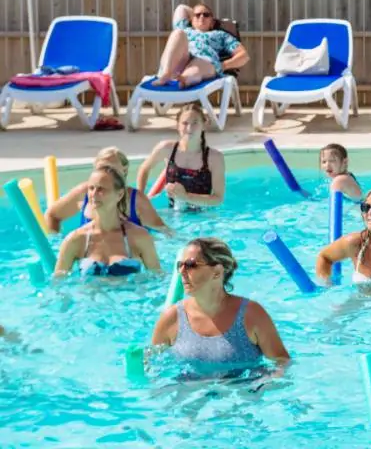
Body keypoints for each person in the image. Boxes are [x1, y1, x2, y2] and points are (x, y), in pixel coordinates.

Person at [151, 238, 289, 369]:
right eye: (179, 265)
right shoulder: (171, 318)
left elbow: (282, 362)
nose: (182, 272)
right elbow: (151, 365)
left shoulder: (251, 315)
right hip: (191, 392)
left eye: (190, 265)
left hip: (242, 391)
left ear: (217, 272)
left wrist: (265, 383)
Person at [53, 165, 161, 277]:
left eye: (101, 189)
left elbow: (158, 278)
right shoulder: (76, 239)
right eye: (91, 188)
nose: (93, 194)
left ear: (119, 194)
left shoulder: (139, 236)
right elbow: (58, 286)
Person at [43, 146, 172, 236]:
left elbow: (165, 233)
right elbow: (52, 215)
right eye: (101, 169)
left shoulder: (136, 201)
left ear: (124, 171)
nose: (105, 175)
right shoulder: (84, 193)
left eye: (111, 170)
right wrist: (55, 244)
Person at [136, 105, 226, 209]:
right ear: (177, 126)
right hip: (172, 214)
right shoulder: (167, 149)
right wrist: (140, 197)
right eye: (185, 123)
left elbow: (218, 199)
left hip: (202, 218)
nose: (189, 128)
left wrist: (186, 197)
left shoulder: (214, 158)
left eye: (195, 123)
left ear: (204, 125)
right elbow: (144, 168)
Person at [153, 3, 249, 88]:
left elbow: (244, 56)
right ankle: (166, 74)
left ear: (212, 22)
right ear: (191, 20)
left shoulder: (220, 35)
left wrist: (223, 65)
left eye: (206, 15)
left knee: (200, 63)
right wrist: (196, 16)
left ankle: (184, 79)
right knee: (177, 33)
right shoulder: (185, 29)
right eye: (197, 15)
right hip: (180, 60)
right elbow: (181, 8)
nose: (201, 17)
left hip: (204, 62)